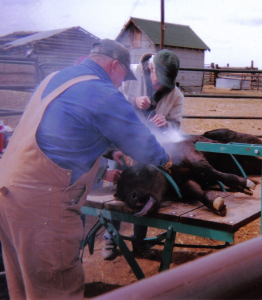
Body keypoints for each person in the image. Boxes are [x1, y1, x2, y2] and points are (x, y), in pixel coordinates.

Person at [0, 39, 171, 299]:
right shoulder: (103, 91)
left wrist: (106, 158)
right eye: (121, 77)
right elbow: (145, 146)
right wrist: (166, 161)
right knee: (58, 291)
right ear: (114, 65)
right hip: (41, 207)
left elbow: (59, 139)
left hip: (4, 191)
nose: (120, 84)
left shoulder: (56, 78)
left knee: (27, 288)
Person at [101, 49, 184, 261]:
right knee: (117, 190)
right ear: (152, 67)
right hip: (121, 142)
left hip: (148, 149)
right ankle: (111, 238)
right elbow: (110, 98)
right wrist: (133, 100)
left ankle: (139, 242)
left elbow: (176, 124)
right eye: (159, 80)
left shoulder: (176, 94)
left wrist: (167, 123)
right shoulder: (130, 74)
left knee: (145, 191)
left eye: (166, 82)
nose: (161, 85)